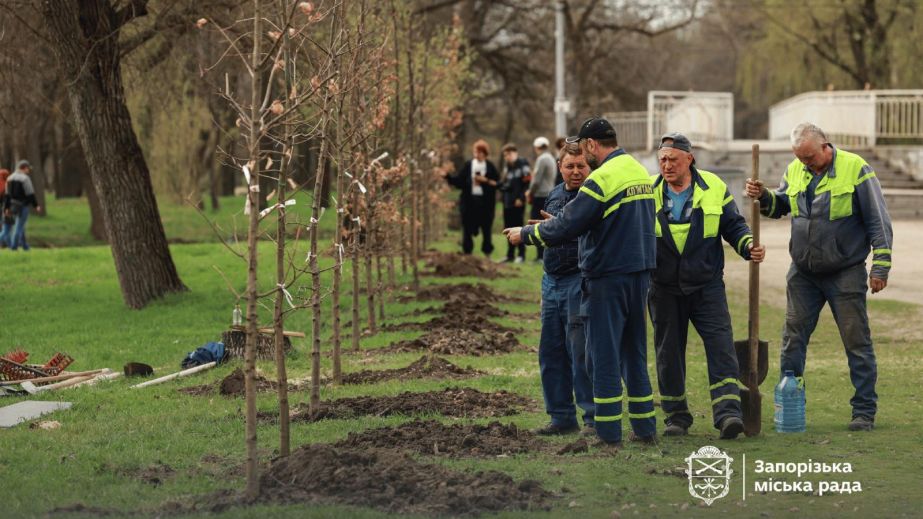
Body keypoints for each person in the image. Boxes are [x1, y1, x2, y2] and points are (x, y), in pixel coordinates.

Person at [505, 116, 657, 447]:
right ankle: (645, 429)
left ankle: (607, 433)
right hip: (640, 274)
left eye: (583, 152)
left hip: (607, 277)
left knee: (602, 354)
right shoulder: (638, 170)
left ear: (591, 145)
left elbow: (568, 225)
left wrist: (526, 234)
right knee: (634, 353)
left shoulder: (601, 178)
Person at [744, 122, 893, 432]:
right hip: (803, 274)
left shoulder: (856, 168)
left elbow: (877, 220)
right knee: (792, 340)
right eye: (800, 158)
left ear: (826, 146)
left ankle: (864, 411)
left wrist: (880, 266)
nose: (805, 163)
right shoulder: (795, 169)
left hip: (845, 272)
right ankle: (790, 406)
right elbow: (781, 206)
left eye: (809, 157)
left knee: (856, 342)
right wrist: (764, 195)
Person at [649, 132, 766, 440]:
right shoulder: (647, 192)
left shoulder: (714, 187)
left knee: (722, 348)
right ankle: (676, 417)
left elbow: (734, 225)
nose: (667, 165)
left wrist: (748, 245)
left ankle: (728, 415)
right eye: (662, 159)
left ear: (689, 159)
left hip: (706, 286)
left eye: (673, 159)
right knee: (668, 353)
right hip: (663, 288)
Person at [518, 143, 594, 435]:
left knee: (580, 353)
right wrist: (544, 230)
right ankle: (561, 417)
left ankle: (592, 419)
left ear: (590, 167)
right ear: (560, 167)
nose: (575, 172)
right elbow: (549, 232)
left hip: (578, 280)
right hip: (551, 281)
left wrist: (558, 229)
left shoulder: (593, 197)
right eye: (569, 166)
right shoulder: (554, 194)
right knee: (550, 352)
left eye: (581, 166)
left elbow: (590, 236)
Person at [446, 139, 500, 256]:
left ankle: (487, 251)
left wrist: (485, 181)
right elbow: (459, 181)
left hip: (485, 203)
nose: (477, 154)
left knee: (486, 228)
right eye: (475, 152)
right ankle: (467, 252)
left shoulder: (490, 167)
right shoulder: (468, 165)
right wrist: (448, 177)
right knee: (467, 227)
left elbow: (497, 183)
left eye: (480, 152)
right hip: (469, 201)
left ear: (485, 153)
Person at [498, 143, 530, 263]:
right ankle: (510, 254)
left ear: (515, 153)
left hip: (518, 202)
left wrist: (521, 198)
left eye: (509, 154)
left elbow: (527, 183)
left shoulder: (523, 164)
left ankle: (521, 254)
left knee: (518, 227)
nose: (507, 157)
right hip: (507, 202)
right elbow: (504, 183)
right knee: (508, 228)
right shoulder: (507, 167)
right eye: (505, 155)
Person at [527, 136, 557, 261]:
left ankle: (540, 255)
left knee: (537, 225)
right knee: (547, 224)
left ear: (536, 147)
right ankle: (544, 255)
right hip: (550, 194)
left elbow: (536, 181)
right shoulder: (551, 158)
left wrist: (530, 192)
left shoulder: (542, 159)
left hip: (540, 195)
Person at [4, 160, 40, 251]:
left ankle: (25, 246)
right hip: (23, 205)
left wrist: (7, 207)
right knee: (19, 226)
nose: (29, 170)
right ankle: (14, 247)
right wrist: (36, 205)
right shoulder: (25, 178)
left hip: (13, 205)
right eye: (28, 168)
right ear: (24, 168)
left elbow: (7, 195)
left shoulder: (9, 178)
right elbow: (30, 193)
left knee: (21, 225)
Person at [0, 169, 11, 248]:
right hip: (3, 207)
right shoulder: (5, 184)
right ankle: (4, 244)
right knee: (4, 226)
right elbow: (6, 197)